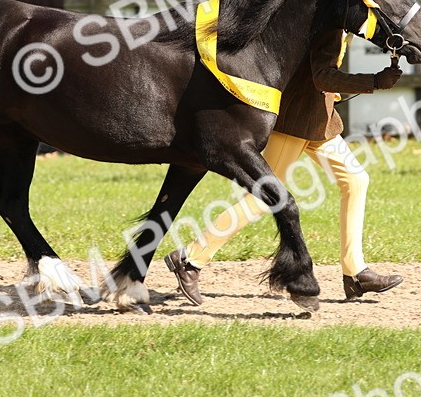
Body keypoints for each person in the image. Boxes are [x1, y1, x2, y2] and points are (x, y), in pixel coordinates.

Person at [164, 28, 405, 304]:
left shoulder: (342, 21)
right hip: (296, 121)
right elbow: (322, 75)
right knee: (261, 198)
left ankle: (355, 273)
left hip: (317, 119)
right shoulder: (331, 19)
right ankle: (191, 259)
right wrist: (374, 81)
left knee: (355, 179)